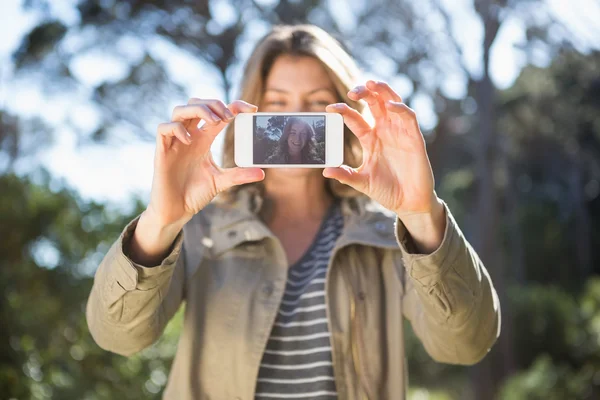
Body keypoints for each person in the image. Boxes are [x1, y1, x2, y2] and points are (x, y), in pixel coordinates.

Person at [86, 24, 500, 400]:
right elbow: (117, 336)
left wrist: (422, 214)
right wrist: (159, 221)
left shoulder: (388, 234)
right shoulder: (201, 227)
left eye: (317, 103)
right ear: (252, 112)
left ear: (344, 115)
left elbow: (466, 344)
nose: (296, 122)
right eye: (278, 102)